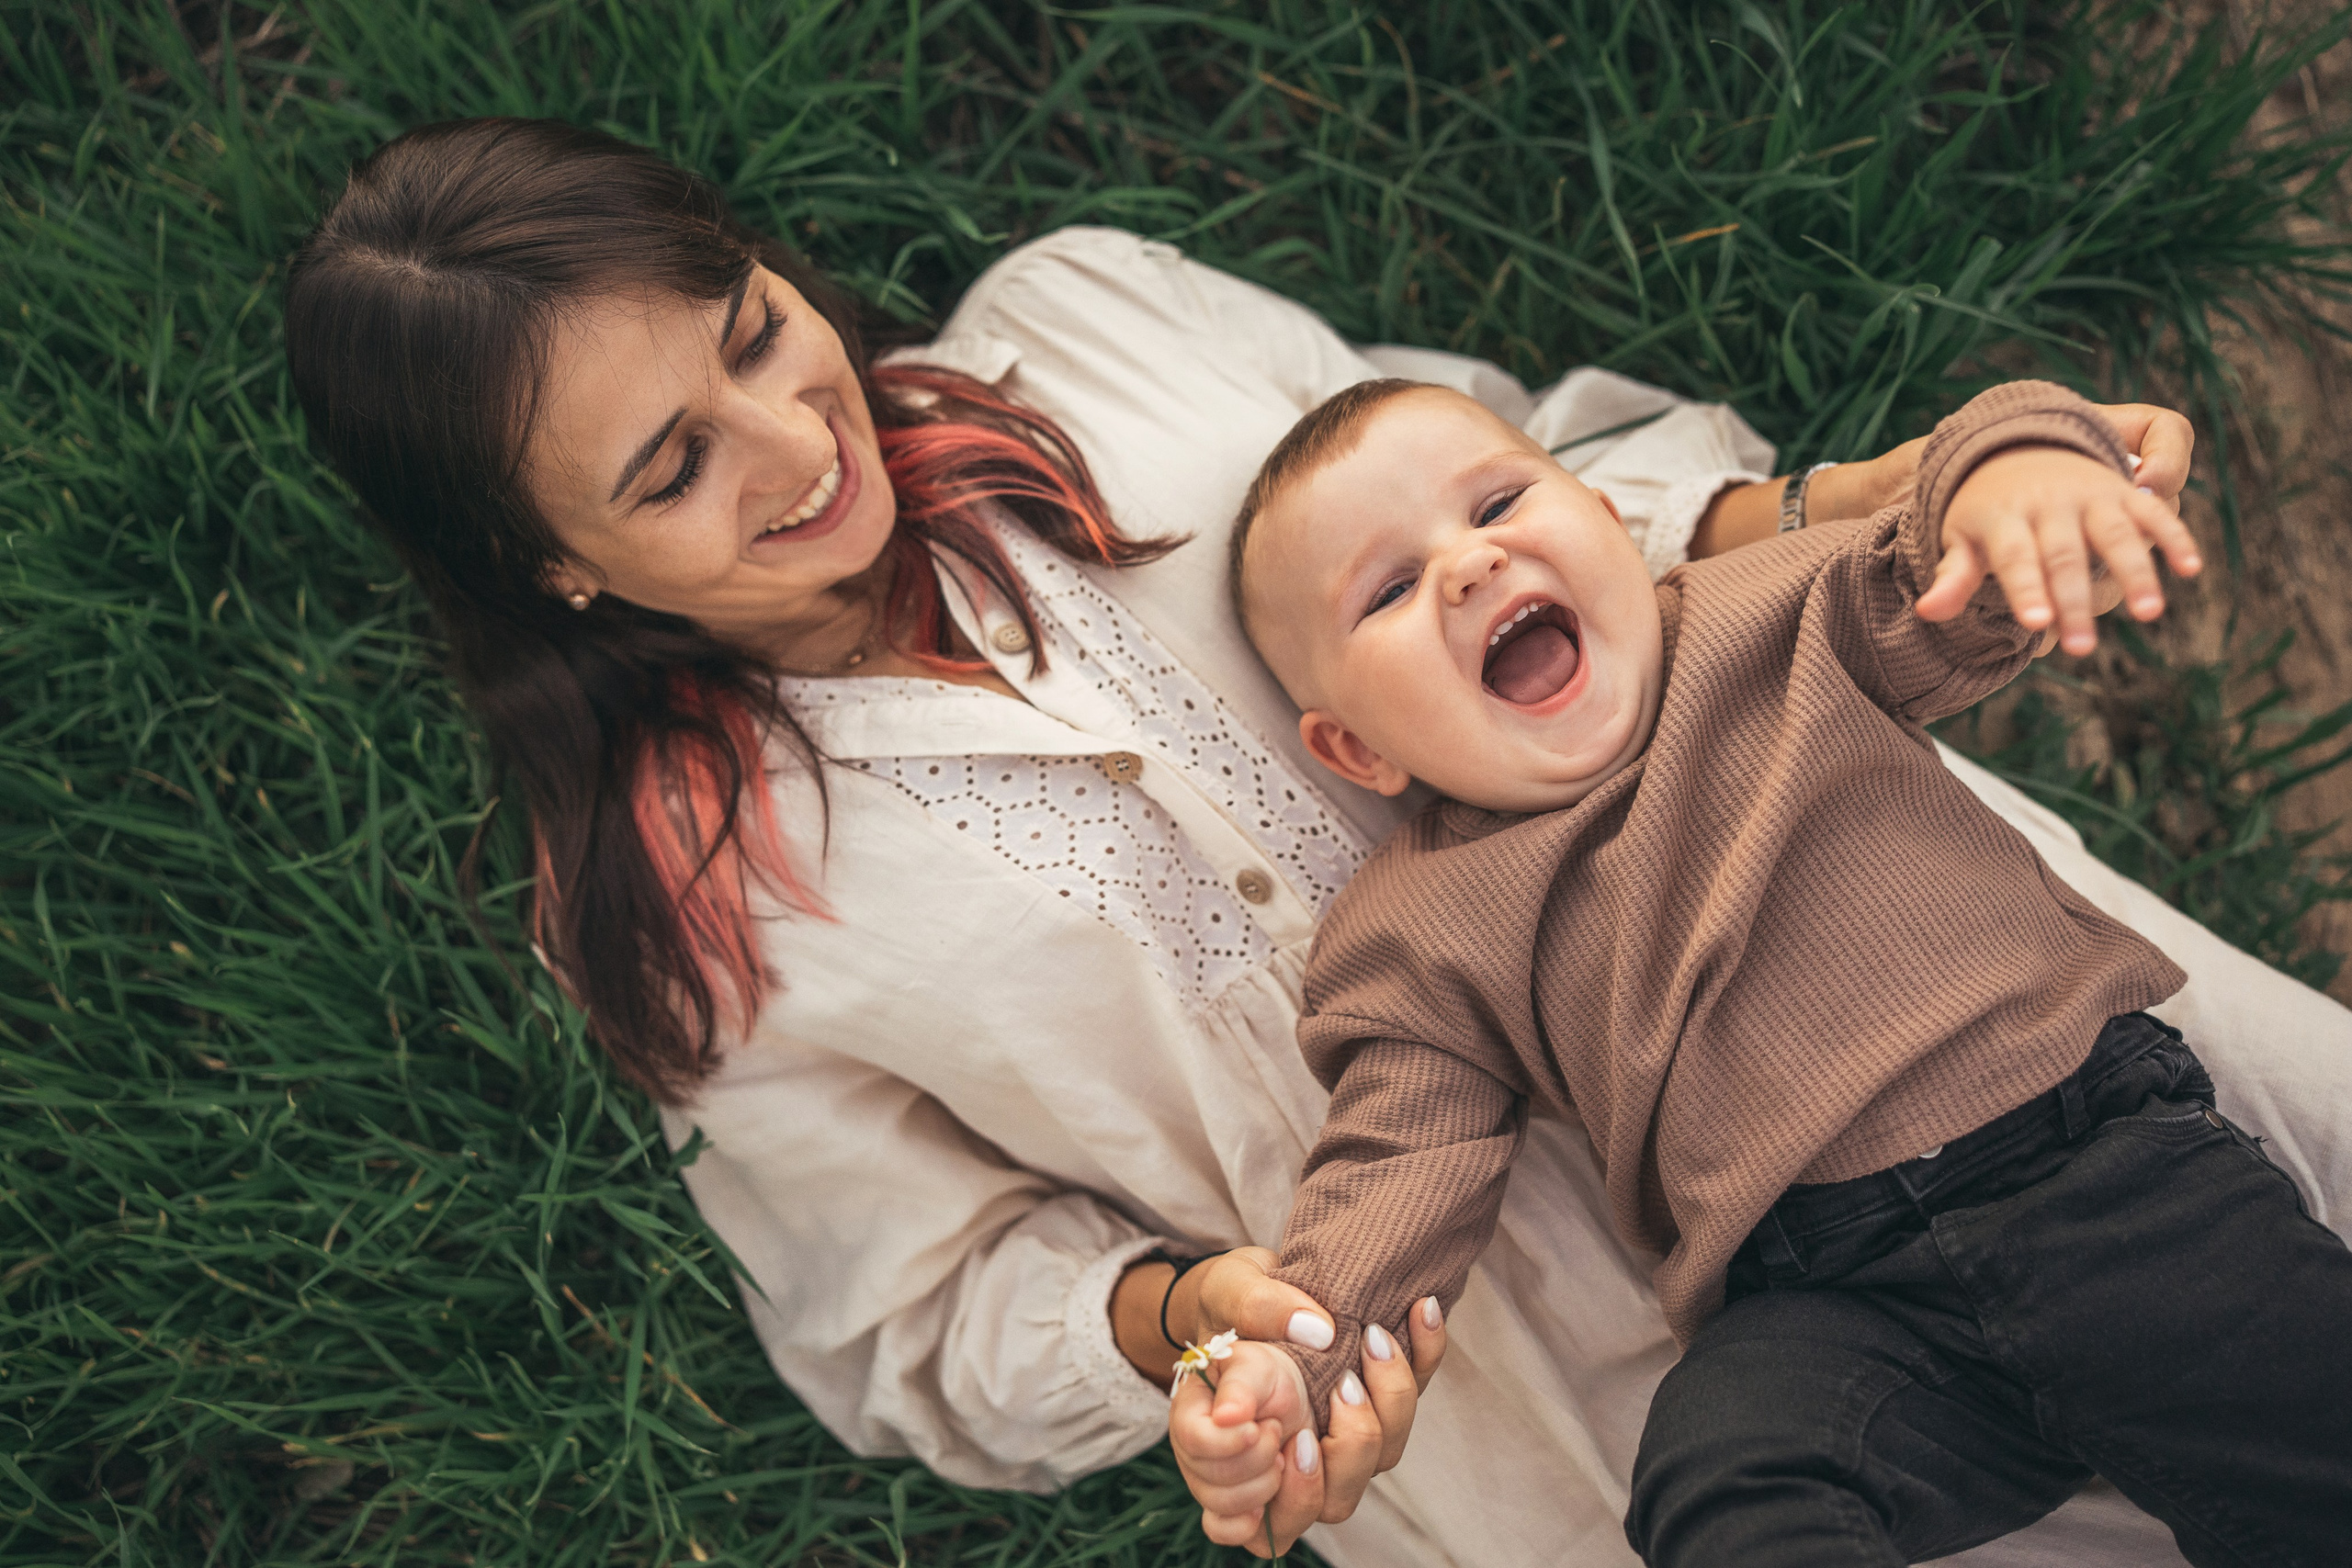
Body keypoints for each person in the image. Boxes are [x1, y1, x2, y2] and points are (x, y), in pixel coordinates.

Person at [280, 118, 2352, 1568]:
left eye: (746, 328)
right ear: (547, 566)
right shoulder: (689, 917)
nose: (796, 442)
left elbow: (1547, 493)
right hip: (1575, 1406)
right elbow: (905, 1311)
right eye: (669, 467)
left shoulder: (1093, 334)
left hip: (1944, 1027)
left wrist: (1944, 484)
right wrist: (1198, 1325)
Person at [1199, 377, 2352, 1564]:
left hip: (2100, 1172)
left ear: (1604, 521)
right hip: (1834, 1312)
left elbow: (1943, 551)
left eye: (1499, 504)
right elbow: (1395, 1169)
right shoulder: (1413, 930)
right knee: (1715, 1484)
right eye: (1389, 589)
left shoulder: (1772, 619)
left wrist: (2021, 470)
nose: (1470, 565)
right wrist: (1299, 1361)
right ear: (1355, 750)